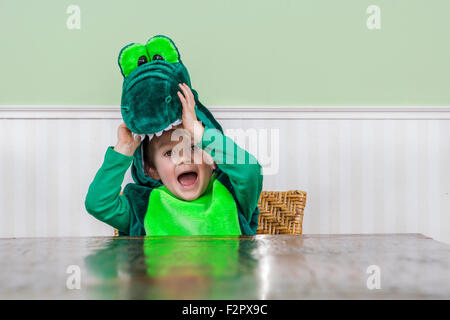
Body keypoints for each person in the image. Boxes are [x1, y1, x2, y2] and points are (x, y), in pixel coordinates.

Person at [85, 83, 263, 236]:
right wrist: (123, 149)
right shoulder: (142, 207)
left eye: (194, 147)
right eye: (169, 153)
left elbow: (249, 172)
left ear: (213, 158)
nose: (184, 157)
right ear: (150, 170)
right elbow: (98, 204)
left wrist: (199, 132)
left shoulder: (233, 194)